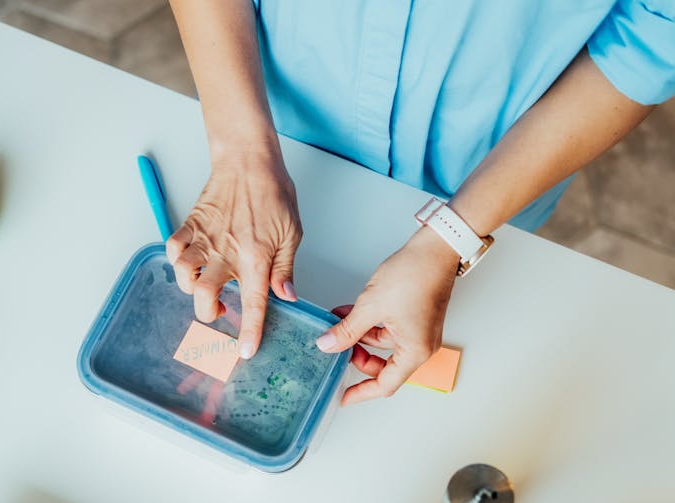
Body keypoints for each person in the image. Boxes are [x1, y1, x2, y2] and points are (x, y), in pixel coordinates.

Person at [165, 0, 675, 405]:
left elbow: (652, 35)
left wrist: (449, 238)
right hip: (269, 114)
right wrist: (242, 150)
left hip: (492, 174)